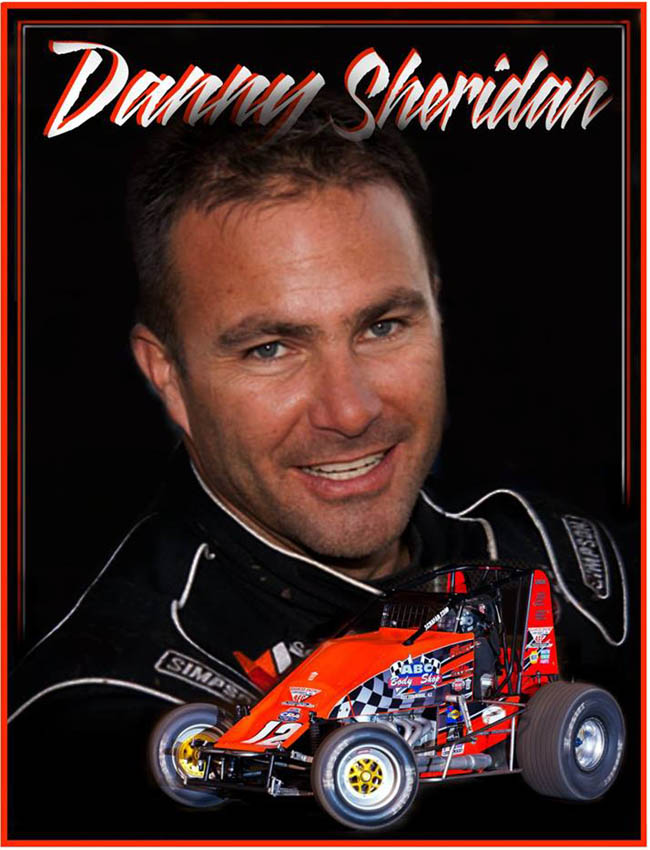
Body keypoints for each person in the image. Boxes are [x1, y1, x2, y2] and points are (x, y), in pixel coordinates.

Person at [8, 100, 633, 840]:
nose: (350, 411)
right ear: (168, 377)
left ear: (437, 311)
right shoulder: (102, 707)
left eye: (382, 326)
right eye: (271, 348)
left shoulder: (573, 564)